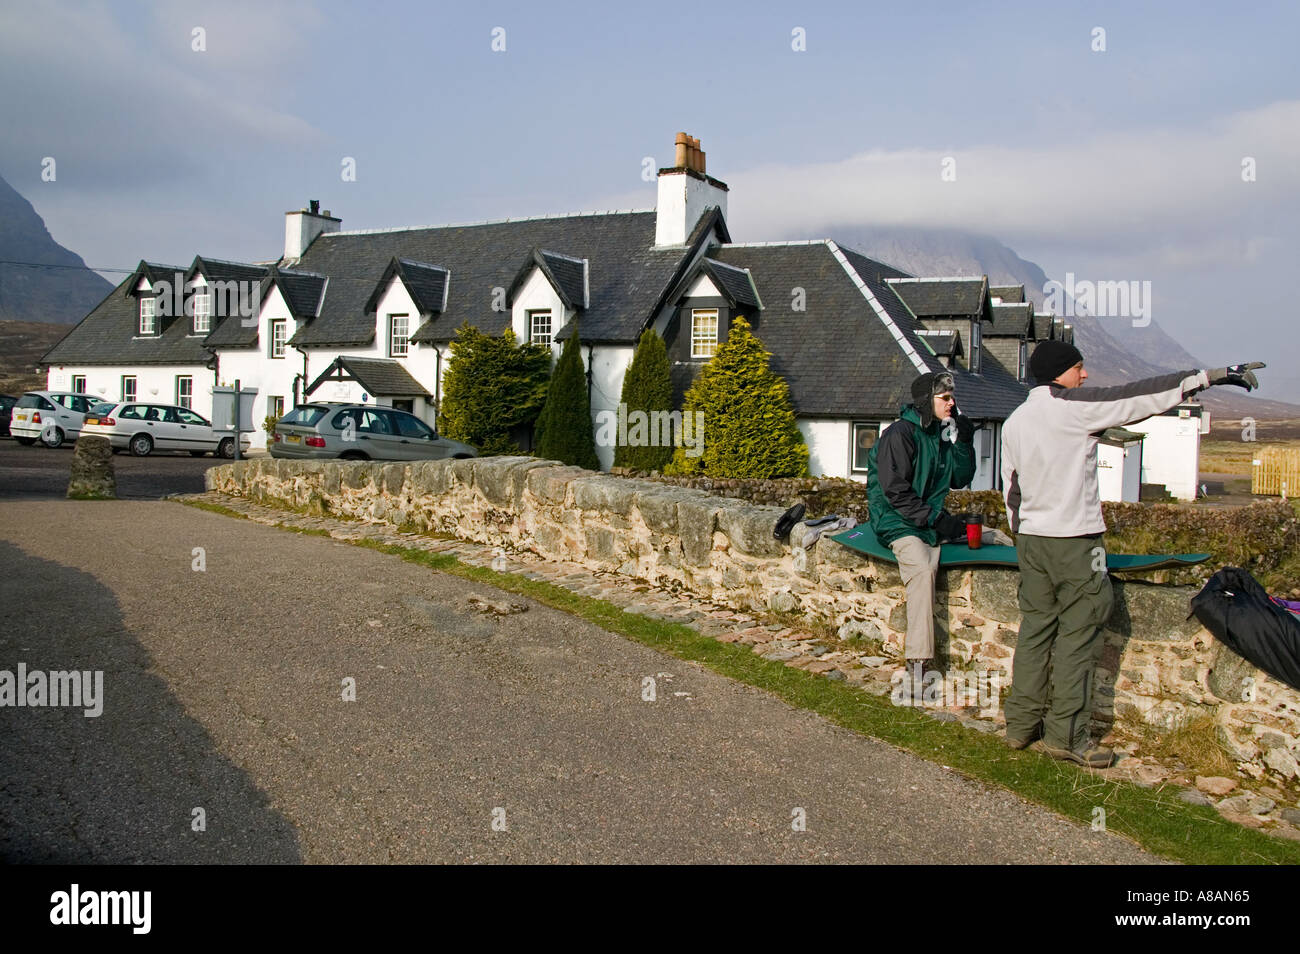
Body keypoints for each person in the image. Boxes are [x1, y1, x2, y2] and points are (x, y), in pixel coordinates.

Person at [1000, 342, 1264, 766]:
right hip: (1075, 540)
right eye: (1079, 368)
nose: (1085, 376)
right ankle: (1066, 737)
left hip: (1031, 540)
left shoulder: (1015, 421)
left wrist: (1022, 535)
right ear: (1059, 372)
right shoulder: (1073, 408)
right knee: (1079, 632)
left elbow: (1009, 490)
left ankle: (1019, 726)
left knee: (1035, 630)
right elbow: (1135, 398)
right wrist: (1207, 377)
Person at [867, 370, 976, 697]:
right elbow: (895, 492)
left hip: (927, 517)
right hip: (895, 519)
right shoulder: (899, 435)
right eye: (945, 397)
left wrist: (965, 443)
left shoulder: (941, 434)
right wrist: (935, 519)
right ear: (927, 401)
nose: (952, 402)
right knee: (922, 567)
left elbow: (959, 478)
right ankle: (917, 663)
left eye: (952, 397)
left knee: (990, 539)